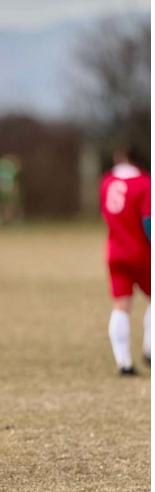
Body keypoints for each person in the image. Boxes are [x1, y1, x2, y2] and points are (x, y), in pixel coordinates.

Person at [98, 145, 152, 375]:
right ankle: (150, 349)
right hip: (142, 253)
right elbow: (149, 222)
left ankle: (124, 363)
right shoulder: (145, 183)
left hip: (115, 251)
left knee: (120, 306)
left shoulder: (107, 181)